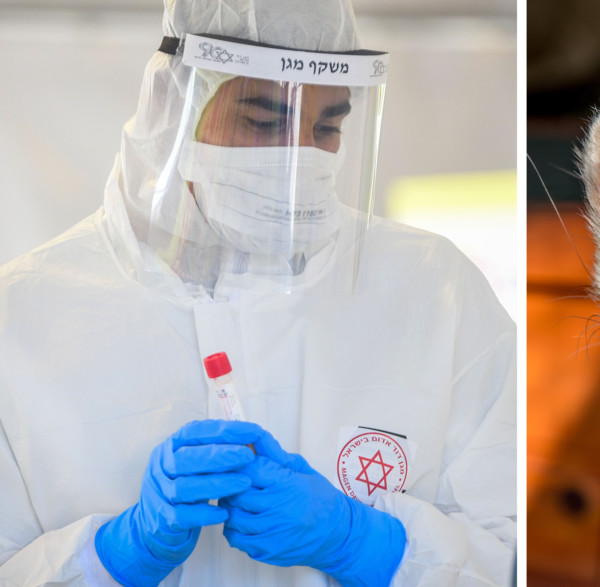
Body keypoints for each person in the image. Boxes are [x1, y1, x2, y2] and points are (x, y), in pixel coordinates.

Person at [0, 0, 516, 585]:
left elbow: (513, 556)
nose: (297, 155)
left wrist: (368, 545)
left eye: (326, 127)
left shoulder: (434, 291)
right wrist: (106, 559)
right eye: (263, 120)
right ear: (177, 106)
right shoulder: (22, 316)